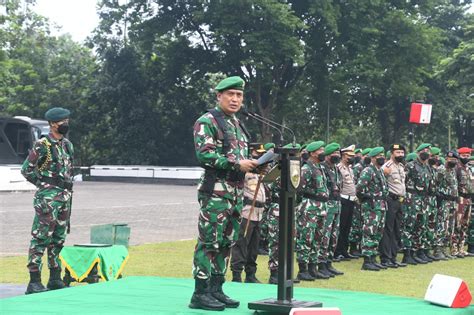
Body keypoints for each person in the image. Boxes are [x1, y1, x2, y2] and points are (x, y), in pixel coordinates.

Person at [190, 76, 258, 311]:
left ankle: (216, 289)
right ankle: (200, 292)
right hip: (216, 192)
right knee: (209, 241)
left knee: (226, 242)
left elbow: (240, 156)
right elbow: (205, 155)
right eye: (230, 94)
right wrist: (237, 164)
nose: (235, 99)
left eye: (239, 95)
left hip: (236, 192)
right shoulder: (207, 121)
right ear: (219, 96)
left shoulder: (237, 124)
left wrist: (256, 164)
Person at [21, 107, 74, 294]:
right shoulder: (42, 145)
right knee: (41, 238)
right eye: (62, 122)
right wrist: (44, 185)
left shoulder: (67, 145)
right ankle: (34, 281)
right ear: (52, 124)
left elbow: (69, 171)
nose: (66, 124)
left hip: (64, 198)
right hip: (48, 200)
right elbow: (26, 169)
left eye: (67, 120)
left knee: (58, 239)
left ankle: (54, 277)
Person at [231, 143, 267, 283]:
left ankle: (251, 274)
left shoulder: (261, 171)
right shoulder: (243, 168)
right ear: (252, 152)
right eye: (258, 152)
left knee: (254, 246)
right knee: (241, 244)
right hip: (247, 211)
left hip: (258, 212)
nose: (261, 155)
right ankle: (237, 274)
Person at [295, 141, 330, 281]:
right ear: (313, 153)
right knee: (306, 238)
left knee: (318, 238)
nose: (323, 152)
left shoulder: (319, 167)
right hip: (309, 207)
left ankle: (312, 267)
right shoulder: (306, 169)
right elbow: (299, 189)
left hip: (321, 207)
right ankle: (302, 269)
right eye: (320, 150)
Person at [356, 147, 389, 271]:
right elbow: (359, 189)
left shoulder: (380, 171)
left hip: (380, 206)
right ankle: (367, 260)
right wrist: (368, 198)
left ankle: (373, 257)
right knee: (369, 232)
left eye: (383, 155)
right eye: (379, 156)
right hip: (371, 206)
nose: (382, 157)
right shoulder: (368, 170)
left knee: (377, 233)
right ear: (373, 158)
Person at [402, 143, 432, 265]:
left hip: (423, 199)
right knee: (409, 225)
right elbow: (403, 182)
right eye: (424, 150)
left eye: (428, 151)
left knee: (420, 226)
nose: (426, 153)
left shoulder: (427, 167)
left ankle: (415, 251)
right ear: (418, 152)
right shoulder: (410, 166)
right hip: (412, 198)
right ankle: (407, 254)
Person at [379, 144, 407, 268]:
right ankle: (385, 258)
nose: (400, 155)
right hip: (390, 199)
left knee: (397, 229)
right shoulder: (387, 166)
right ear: (392, 153)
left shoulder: (401, 166)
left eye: (402, 152)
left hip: (400, 201)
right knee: (388, 229)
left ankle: (393, 257)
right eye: (398, 152)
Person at [319, 142, 344, 277]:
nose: (336, 156)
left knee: (333, 236)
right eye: (333, 153)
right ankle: (321, 263)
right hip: (327, 205)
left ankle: (329, 262)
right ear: (327, 155)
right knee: (325, 235)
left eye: (337, 153)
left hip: (336, 205)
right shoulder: (322, 168)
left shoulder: (336, 169)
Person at [335, 145, 358, 260]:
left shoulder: (350, 169)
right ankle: (337, 251)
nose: (352, 158)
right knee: (341, 227)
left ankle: (344, 250)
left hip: (351, 200)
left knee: (347, 227)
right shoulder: (339, 168)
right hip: (343, 199)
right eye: (350, 156)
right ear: (343, 156)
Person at [436, 150, 459, 259]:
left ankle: (445, 248)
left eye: (454, 159)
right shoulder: (441, 170)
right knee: (442, 226)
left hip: (453, 202)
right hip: (444, 201)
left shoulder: (453, 170)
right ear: (446, 158)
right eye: (451, 159)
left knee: (450, 227)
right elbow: (435, 185)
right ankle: (438, 250)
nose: (453, 161)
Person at [349, 147, 372, 256]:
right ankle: (353, 247)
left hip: (367, 199)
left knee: (363, 223)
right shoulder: (358, 167)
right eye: (366, 155)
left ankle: (359, 246)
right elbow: (355, 184)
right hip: (359, 199)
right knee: (356, 223)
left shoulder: (369, 167)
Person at [453, 147, 473, 257]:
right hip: (460, 198)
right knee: (458, 223)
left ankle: (461, 248)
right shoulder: (457, 168)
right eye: (464, 155)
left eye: (468, 155)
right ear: (459, 155)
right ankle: (454, 248)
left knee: (465, 224)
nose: (466, 157)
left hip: (468, 199)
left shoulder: (468, 168)